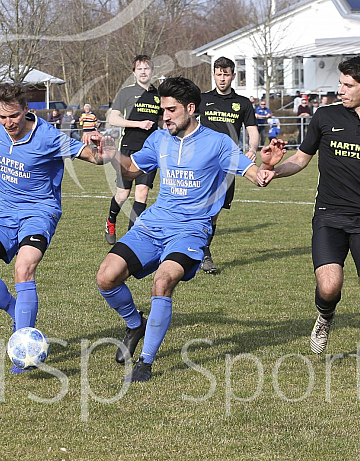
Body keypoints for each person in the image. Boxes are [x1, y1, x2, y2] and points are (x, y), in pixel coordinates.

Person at [94, 76, 283, 383]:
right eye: (162, 109)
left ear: (190, 109)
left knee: (163, 281)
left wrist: (269, 167)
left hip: (191, 230)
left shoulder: (219, 143)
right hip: (154, 223)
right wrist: (113, 154)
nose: (164, 116)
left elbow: (256, 177)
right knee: (106, 277)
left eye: (171, 109)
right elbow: (131, 170)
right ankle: (134, 323)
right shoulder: (159, 139)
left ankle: (145, 363)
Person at [0, 83, 105, 374]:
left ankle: (24, 349)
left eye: (13, 116)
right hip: (1, 214)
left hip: (39, 213)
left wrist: (102, 149)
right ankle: (18, 315)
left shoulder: (48, 137)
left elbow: (93, 156)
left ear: (26, 110)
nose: (8, 123)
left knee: (24, 267)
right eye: (2, 117)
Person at [260, 56, 360, 370]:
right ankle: (325, 317)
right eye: (340, 83)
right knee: (329, 286)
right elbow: (300, 159)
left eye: (347, 85)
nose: (340, 90)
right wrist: (273, 171)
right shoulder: (325, 117)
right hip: (328, 215)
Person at [197, 56, 259, 273]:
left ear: (233, 76)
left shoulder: (242, 103)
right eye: (219, 74)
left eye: (226, 74)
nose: (222, 79)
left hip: (227, 164)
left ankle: (204, 252)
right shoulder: (202, 99)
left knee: (214, 212)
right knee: (196, 206)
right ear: (213, 75)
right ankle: (199, 253)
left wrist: (252, 149)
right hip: (201, 162)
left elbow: (252, 131)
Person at [104, 55, 162, 244]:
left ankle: (131, 236)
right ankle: (110, 221)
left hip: (151, 150)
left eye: (147, 68)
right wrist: (138, 124)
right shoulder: (126, 92)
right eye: (140, 69)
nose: (143, 72)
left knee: (142, 192)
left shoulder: (158, 96)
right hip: (128, 148)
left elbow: (162, 120)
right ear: (134, 72)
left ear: (152, 71)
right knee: (123, 194)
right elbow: (113, 119)